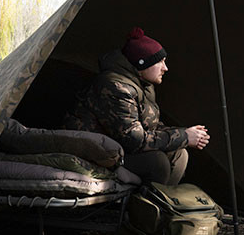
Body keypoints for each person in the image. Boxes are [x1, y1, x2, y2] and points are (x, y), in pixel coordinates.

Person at [64, 27, 209, 185]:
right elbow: (133, 140)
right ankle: (146, 199)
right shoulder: (116, 87)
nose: (165, 68)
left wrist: (186, 134)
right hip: (96, 152)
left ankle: (164, 198)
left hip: (120, 148)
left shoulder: (143, 85)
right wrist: (184, 136)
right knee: (157, 162)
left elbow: (149, 127)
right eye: (159, 62)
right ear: (142, 63)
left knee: (179, 154)